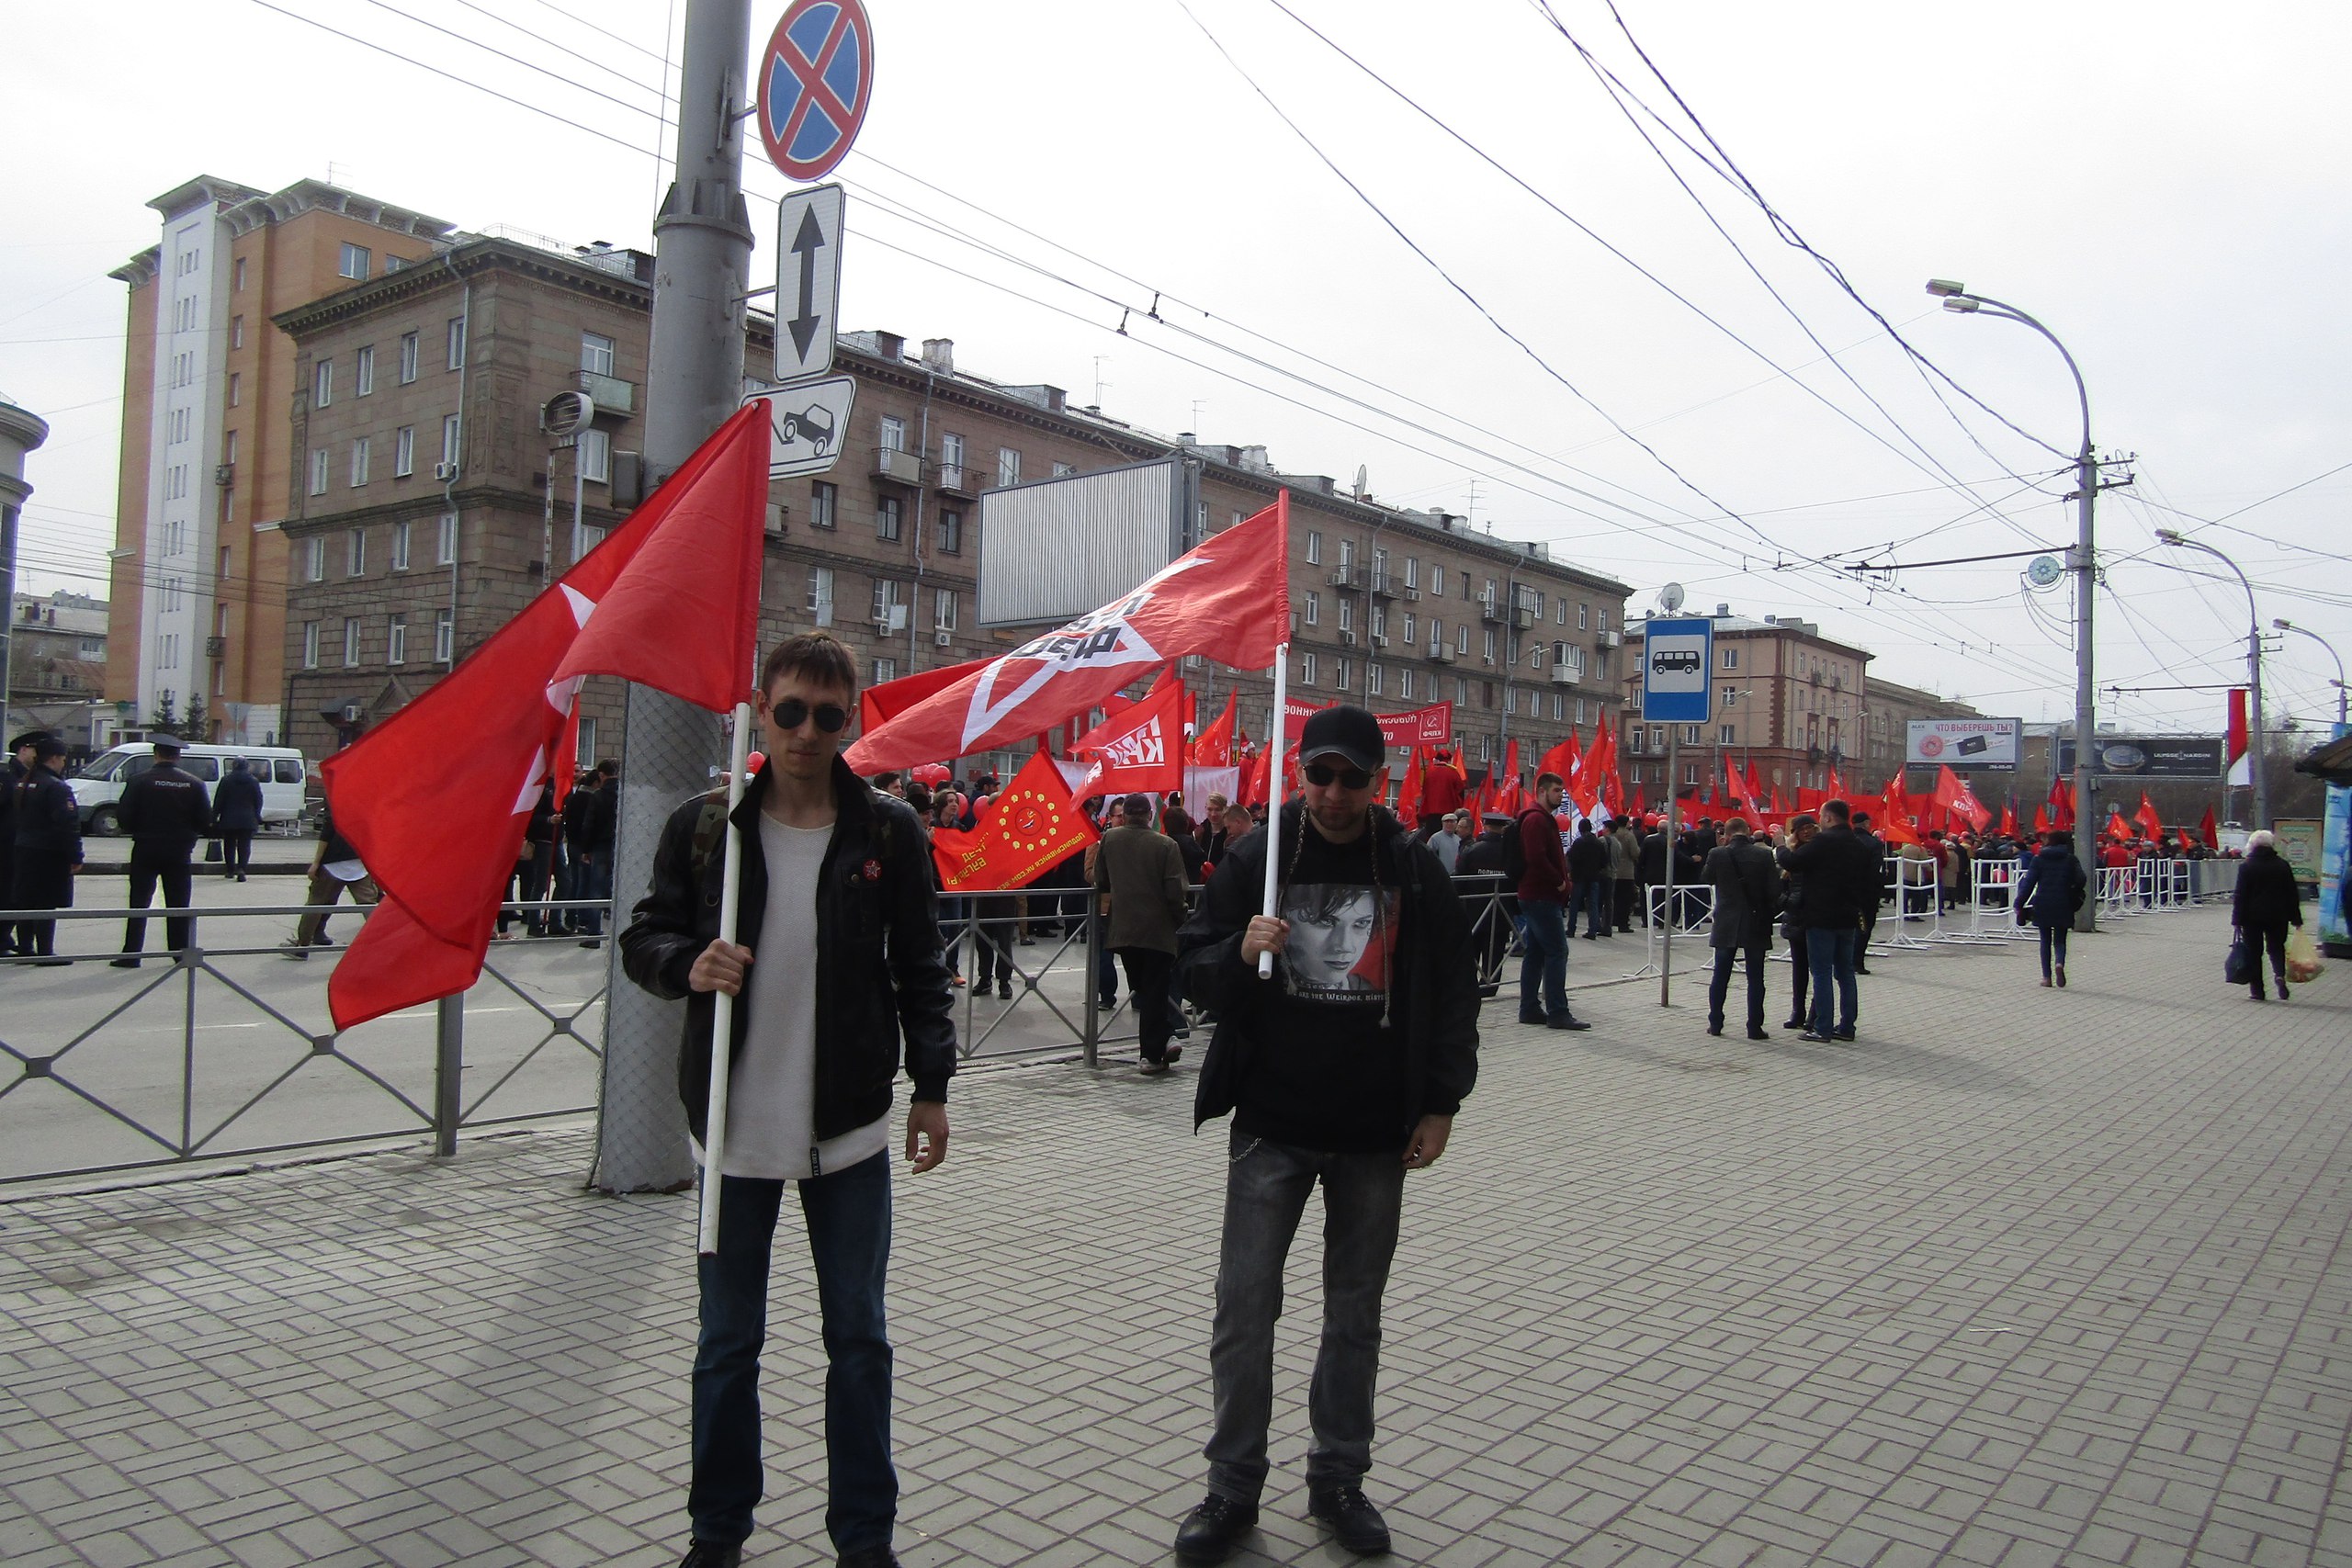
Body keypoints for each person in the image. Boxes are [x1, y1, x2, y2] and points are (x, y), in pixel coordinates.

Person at [618, 633, 954, 1568]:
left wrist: (931, 1088)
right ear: (761, 709)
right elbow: (642, 936)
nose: (808, 731)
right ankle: (716, 1533)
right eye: (792, 710)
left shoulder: (887, 829)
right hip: (730, 1131)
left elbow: (921, 966)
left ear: (852, 719)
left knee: (859, 1340)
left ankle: (864, 1539)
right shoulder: (705, 825)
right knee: (727, 1345)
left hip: (846, 1131)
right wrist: (688, 962)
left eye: (829, 715)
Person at [1171, 704, 1480, 1564]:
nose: (1335, 793)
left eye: (1353, 777)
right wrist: (1240, 948)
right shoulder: (1258, 855)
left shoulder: (1411, 866)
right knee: (1244, 1310)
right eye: (1321, 775)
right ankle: (1232, 1484)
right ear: (1299, 774)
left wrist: (1443, 1102)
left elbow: (1456, 990)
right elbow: (1190, 965)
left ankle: (1338, 1477)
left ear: (1377, 780)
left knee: (1354, 1315)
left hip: (1375, 1132)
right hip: (1273, 1125)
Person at [1095, 793, 1192, 1073]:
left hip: (1123, 930)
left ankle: (1162, 1041)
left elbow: (1101, 880)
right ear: (1150, 816)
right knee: (1155, 990)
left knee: (1144, 988)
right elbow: (1176, 891)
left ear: (1124, 815)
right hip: (1159, 932)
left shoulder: (1110, 840)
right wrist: (1180, 919)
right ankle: (1153, 1052)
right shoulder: (1166, 845)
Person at [113, 735, 213, 967]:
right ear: (177, 757)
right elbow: (204, 820)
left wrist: (140, 829)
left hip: (146, 848)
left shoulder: (139, 781)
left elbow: (124, 817)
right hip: (179, 851)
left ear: (156, 755)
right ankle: (179, 953)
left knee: (139, 902)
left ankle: (131, 954)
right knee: (178, 904)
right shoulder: (194, 783)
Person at [1781, 798, 1875, 1043]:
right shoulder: (1859, 844)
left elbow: (1792, 862)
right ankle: (1847, 1026)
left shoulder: (1824, 841)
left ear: (1829, 818)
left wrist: (1781, 844)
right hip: (1848, 916)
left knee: (1821, 972)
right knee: (1845, 973)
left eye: (1822, 816)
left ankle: (1822, 1026)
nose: (1820, 821)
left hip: (1821, 915)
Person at [1513, 773, 1588, 1031]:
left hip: (1537, 895)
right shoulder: (1535, 819)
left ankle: (1530, 1008)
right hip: (1541, 895)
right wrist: (1559, 881)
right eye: (1556, 790)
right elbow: (1536, 857)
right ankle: (1558, 1011)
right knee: (1557, 951)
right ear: (1542, 791)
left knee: (1535, 953)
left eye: (1561, 791)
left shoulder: (1541, 818)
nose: (1560, 795)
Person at [1702, 816, 1779, 1040]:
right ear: (1747, 831)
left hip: (1726, 920)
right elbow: (1774, 890)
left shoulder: (1718, 853)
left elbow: (1706, 877)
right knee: (1756, 978)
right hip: (1755, 921)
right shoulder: (1763, 855)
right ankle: (1754, 1026)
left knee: (1720, 975)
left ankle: (1715, 1022)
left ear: (1725, 834)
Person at [8, 735, 81, 964]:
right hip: (49, 852)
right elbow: (67, 824)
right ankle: (45, 951)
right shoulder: (56, 787)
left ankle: (26, 947)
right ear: (55, 759)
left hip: (23, 848)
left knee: (26, 900)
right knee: (46, 902)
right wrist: (76, 855)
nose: (63, 764)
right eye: (63, 759)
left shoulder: (24, 782)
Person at [282, 798, 374, 957]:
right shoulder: (369, 802)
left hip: (334, 861)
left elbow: (327, 834)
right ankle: (383, 945)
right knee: (368, 905)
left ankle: (302, 947)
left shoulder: (338, 800)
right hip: (360, 861)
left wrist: (316, 863)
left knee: (316, 902)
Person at [2231, 829, 2304, 1001]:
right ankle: (2279, 975)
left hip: (2252, 917)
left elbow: (2240, 895)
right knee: (2276, 948)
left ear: (2252, 845)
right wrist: (2296, 918)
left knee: (2254, 952)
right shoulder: (2282, 865)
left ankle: (2258, 991)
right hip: (2279, 916)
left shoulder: (2247, 866)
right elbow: (2291, 893)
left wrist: (2237, 919)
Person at [2013, 829, 2086, 987]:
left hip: (2043, 902)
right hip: (2064, 902)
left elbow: (2028, 883)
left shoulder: (2038, 859)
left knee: (2045, 940)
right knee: (2060, 940)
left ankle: (2046, 977)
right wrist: (2072, 889)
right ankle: (2059, 963)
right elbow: (2081, 879)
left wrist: (2019, 903)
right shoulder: (2071, 859)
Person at [2, 728, 51, 954]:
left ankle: (5, 937)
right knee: (7, 893)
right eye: (35, 750)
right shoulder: (8, 775)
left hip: (20, 845)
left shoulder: (31, 776)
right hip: (7, 845)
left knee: (15, 894)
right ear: (23, 750)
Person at [1777, 814, 1816, 1031]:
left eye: (1810, 827)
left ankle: (1814, 1013)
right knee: (1799, 968)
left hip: (1814, 916)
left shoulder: (1817, 851)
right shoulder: (1792, 855)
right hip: (1795, 916)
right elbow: (1782, 886)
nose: (1807, 832)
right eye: (1802, 829)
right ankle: (1797, 1011)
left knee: (1817, 968)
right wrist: (1786, 902)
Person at [212, 756, 264, 882]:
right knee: (244, 845)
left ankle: (230, 870)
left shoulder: (226, 780)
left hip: (229, 818)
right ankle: (242, 869)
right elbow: (258, 800)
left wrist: (214, 816)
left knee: (229, 844)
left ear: (233, 766)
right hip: (247, 819)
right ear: (246, 766)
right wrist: (256, 814)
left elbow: (219, 800)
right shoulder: (253, 781)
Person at [1850, 810, 1884, 973]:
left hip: (1844, 889)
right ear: (1866, 823)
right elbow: (1874, 869)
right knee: (1865, 926)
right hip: (1866, 892)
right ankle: (1857, 961)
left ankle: (1843, 960)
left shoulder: (1846, 840)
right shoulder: (1874, 844)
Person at [1566, 818, 1610, 941]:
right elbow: (1604, 861)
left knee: (1574, 903)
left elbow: (1572, 858)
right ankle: (1592, 931)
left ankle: (1571, 929)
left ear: (1580, 829)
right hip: (1594, 876)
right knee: (1593, 904)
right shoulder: (1598, 843)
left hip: (1579, 876)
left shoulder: (1578, 842)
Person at [1609, 818, 1640, 933]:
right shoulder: (1629, 835)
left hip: (1612, 869)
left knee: (1613, 898)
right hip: (1626, 871)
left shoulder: (1612, 835)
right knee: (1625, 899)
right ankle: (1623, 924)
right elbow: (1635, 852)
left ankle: (1612, 920)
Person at [1426, 810, 1465, 874]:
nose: (1449, 824)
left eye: (1452, 822)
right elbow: (1428, 857)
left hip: (1456, 875)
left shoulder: (1459, 839)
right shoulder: (1435, 838)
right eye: (1447, 822)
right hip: (1441, 876)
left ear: (1456, 824)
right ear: (1442, 823)